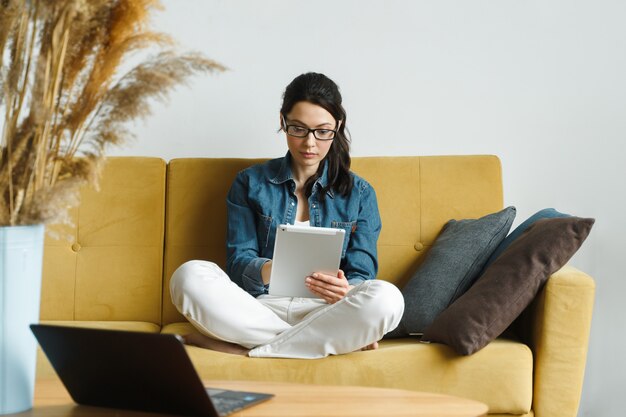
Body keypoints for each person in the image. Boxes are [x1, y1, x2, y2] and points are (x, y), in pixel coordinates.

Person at [170, 72, 404, 359]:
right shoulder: (249, 183)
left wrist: (346, 289)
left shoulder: (360, 193)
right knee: (189, 275)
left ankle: (253, 350)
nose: (310, 143)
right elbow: (238, 262)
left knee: (388, 299)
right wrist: (274, 268)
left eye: (322, 131)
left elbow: (363, 273)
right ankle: (314, 343)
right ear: (282, 122)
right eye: (298, 129)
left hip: (328, 312)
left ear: (337, 127)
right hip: (260, 309)